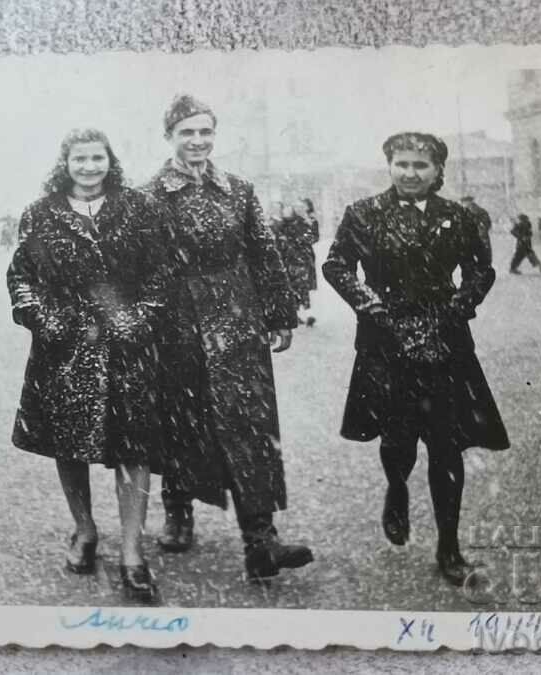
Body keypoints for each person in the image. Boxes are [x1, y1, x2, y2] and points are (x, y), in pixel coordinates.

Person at [322, 132, 510, 586]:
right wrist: (372, 307)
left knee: (446, 446)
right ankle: (397, 488)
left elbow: (481, 270)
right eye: (401, 164)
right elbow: (336, 265)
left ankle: (450, 547)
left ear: (437, 171)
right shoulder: (363, 214)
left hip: (445, 343)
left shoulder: (459, 217)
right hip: (384, 343)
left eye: (419, 166)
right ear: (389, 166)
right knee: (397, 439)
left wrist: (454, 310)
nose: (409, 173)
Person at [145, 94, 313, 582]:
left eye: (205, 132)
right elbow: (137, 269)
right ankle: (177, 511)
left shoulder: (238, 190)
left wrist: (281, 313)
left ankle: (261, 539)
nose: (197, 141)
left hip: (237, 322)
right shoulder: (149, 195)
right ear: (169, 137)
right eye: (186, 133)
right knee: (180, 420)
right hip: (177, 324)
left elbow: (264, 251)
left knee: (249, 425)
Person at [7, 128, 171, 604]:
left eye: (97, 158)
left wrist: (138, 320)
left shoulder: (140, 209)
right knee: (68, 443)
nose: (89, 167)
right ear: (66, 163)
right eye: (80, 159)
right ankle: (84, 530)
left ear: (109, 161)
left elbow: (160, 273)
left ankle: (133, 553)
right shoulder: (41, 214)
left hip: (128, 346)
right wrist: (45, 321)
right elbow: (21, 277)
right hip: (65, 347)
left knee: (133, 446)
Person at [284, 198, 321, 326]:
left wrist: (305, 236)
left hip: (305, 258)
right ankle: (300, 312)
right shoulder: (289, 221)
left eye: (303, 207)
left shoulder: (310, 221)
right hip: (292, 258)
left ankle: (302, 312)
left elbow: (315, 237)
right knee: (296, 285)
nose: (300, 209)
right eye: (298, 207)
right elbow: (285, 236)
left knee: (303, 285)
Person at [459, 195, 493, 260]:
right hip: (474, 240)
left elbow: (484, 226)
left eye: (464, 202)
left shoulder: (478, 212)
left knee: (482, 262)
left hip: (477, 240)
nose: (462, 204)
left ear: (470, 202)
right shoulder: (463, 212)